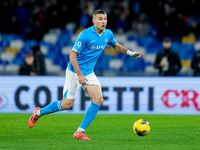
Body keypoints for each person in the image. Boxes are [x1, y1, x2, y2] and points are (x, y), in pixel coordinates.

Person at [29, 9, 143, 140]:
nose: (103, 21)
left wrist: (131, 53)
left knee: (99, 99)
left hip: (88, 72)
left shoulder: (108, 34)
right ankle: (38, 113)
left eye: (105, 19)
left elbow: (116, 46)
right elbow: (72, 55)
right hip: (74, 71)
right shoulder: (85, 35)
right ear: (93, 21)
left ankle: (80, 131)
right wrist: (79, 75)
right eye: (100, 19)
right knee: (66, 105)